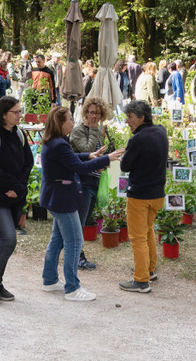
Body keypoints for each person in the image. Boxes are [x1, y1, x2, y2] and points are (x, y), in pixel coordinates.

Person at [40, 106, 121, 301]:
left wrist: (89, 155)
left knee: (58, 239)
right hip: (63, 199)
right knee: (75, 241)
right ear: (60, 123)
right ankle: (72, 288)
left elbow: (71, 159)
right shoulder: (60, 144)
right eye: (69, 119)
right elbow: (78, 167)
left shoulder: (56, 141)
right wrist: (106, 158)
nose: (73, 122)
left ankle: (50, 280)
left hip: (56, 197)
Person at [0, 96, 34, 302]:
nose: (20, 115)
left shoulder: (20, 134)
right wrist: (16, 187)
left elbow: (28, 163)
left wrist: (19, 188)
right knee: (9, 238)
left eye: (20, 111)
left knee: (7, 240)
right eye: (15, 112)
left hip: (14, 197)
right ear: (3, 115)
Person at [117, 99, 167, 293]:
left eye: (130, 117)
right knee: (148, 232)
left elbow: (125, 166)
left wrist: (125, 155)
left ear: (141, 117)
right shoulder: (161, 131)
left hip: (139, 195)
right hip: (157, 194)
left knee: (138, 237)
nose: (127, 121)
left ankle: (141, 280)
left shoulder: (137, 139)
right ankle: (149, 270)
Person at [69, 97, 109, 271]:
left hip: (95, 181)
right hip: (82, 182)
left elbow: (99, 155)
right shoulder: (79, 130)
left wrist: (104, 163)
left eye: (98, 113)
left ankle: (74, 253)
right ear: (85, 112)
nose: (94, 116)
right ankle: (77, 257)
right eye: (91, 112)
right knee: (79, 222)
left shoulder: (99, 131)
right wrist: (93, 130)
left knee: (83, 222)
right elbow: (87, 150)